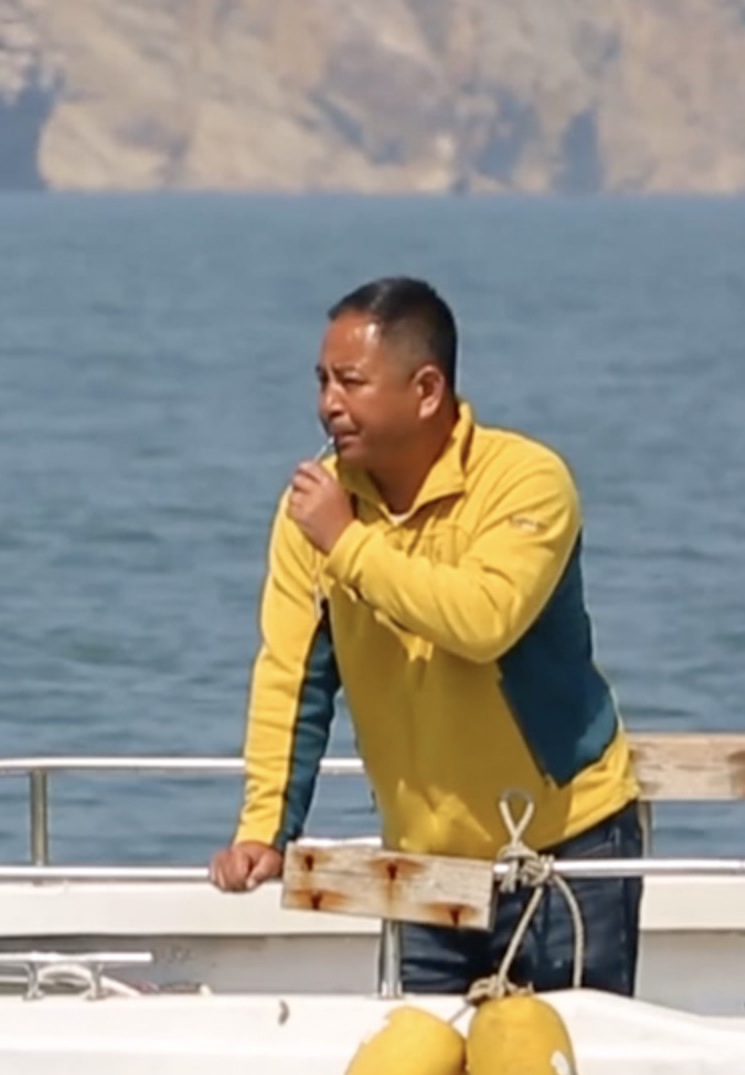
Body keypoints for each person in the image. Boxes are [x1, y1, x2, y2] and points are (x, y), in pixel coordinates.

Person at [207, 275, 649, 997]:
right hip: (425, 866)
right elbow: (292, 678)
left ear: (426, 389)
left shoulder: (526, 481)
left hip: (566, 849)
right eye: (321, 381)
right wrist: (264, 831)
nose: (328, 404)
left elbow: (483, 622)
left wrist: (347, 544)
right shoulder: (318, 507)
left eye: (350, 382)